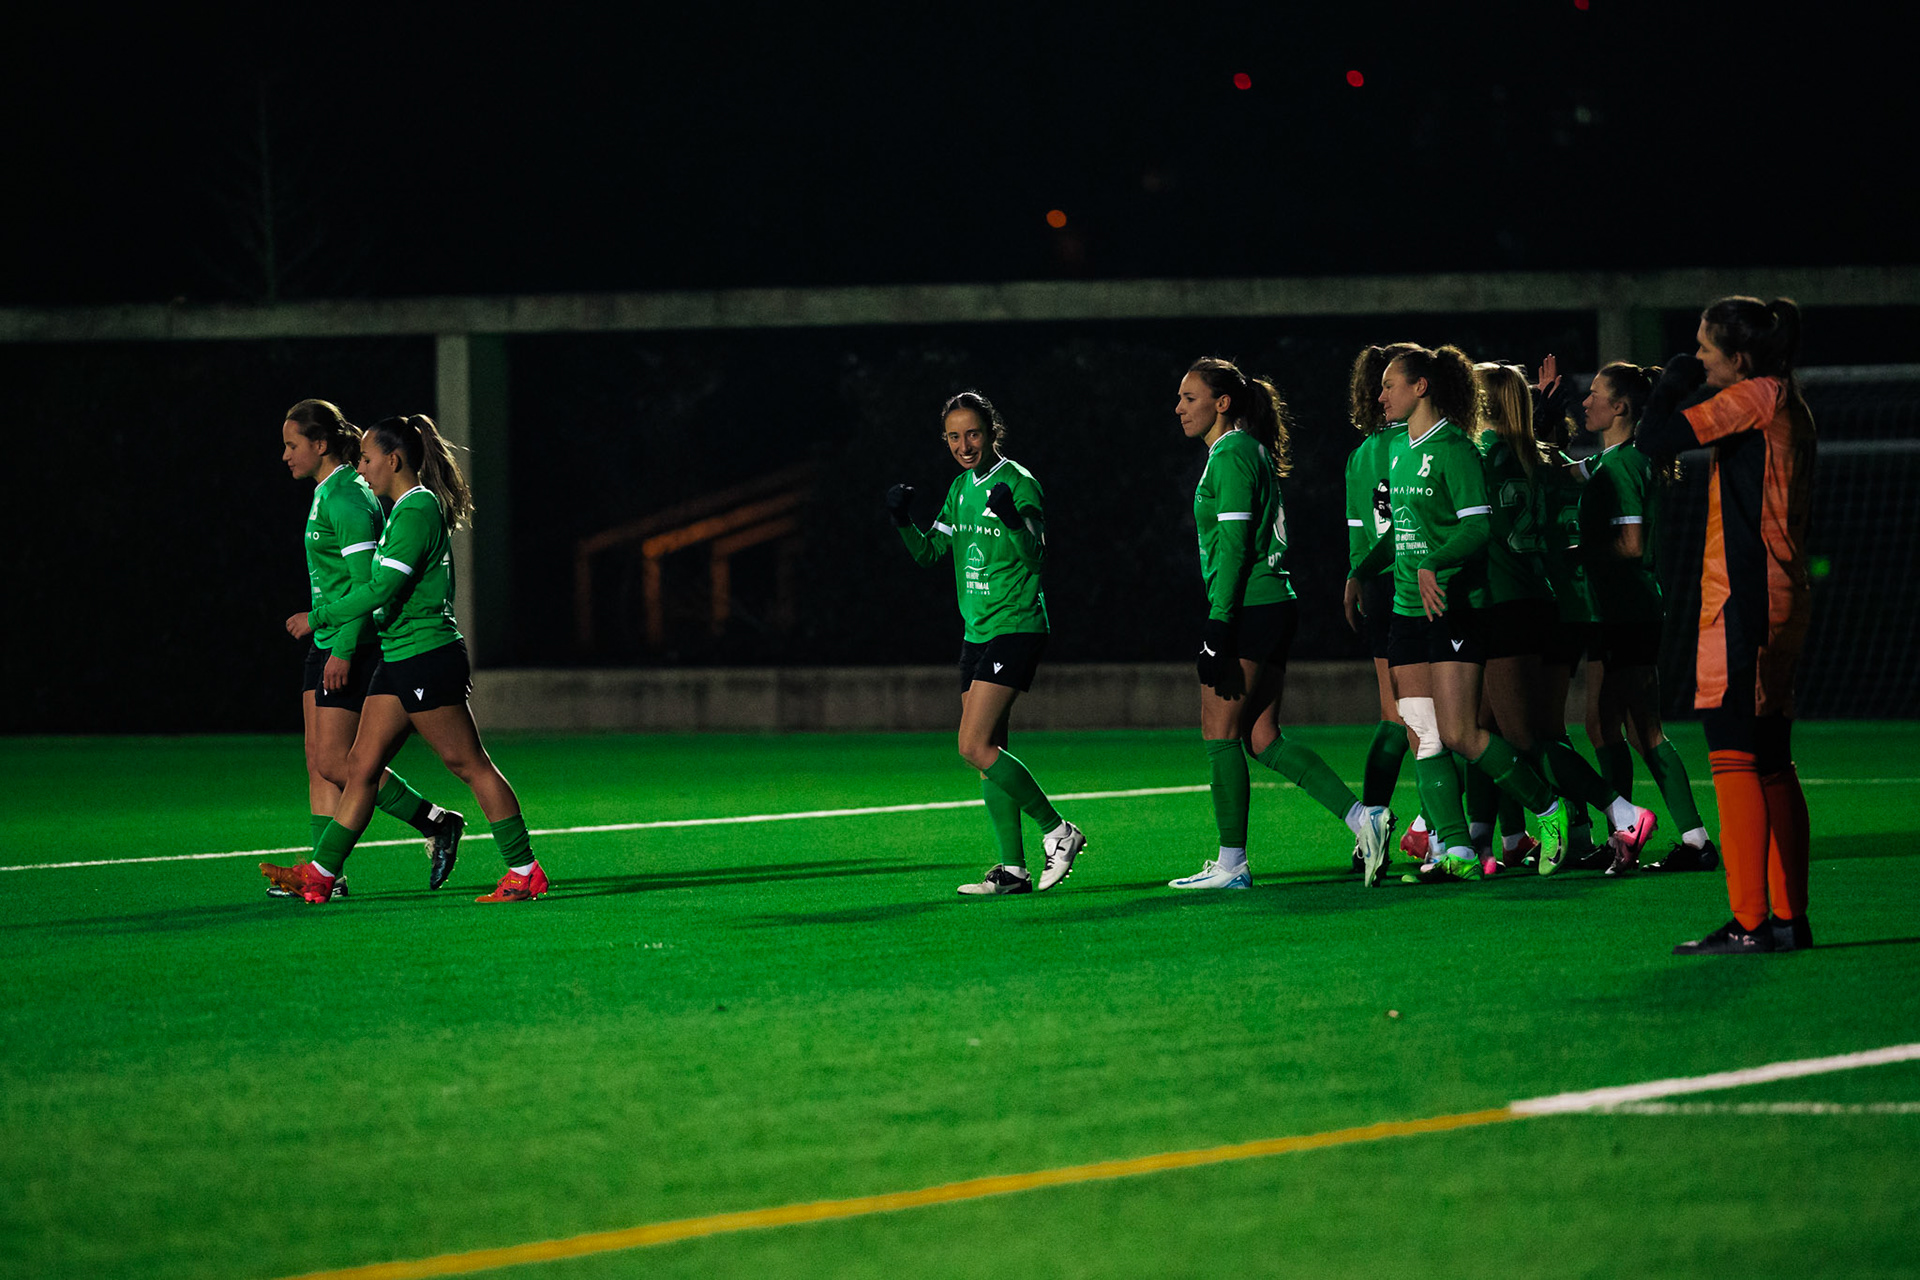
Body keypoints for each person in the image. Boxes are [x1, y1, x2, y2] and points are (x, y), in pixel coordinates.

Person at [260, 414, 547, 904]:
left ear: (393, 461)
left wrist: (320, 616)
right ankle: (321, 874)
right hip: (398, 656)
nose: (362, 468)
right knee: (360, 765)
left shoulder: (417, 509)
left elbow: (383, 587)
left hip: (425, 654)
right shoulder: (400, 509)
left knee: (468, 764)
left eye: (368, 460)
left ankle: (524, 869)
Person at [1349, 345, 1570, 883]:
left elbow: (1477, 528)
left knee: (1461, 734)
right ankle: (1457, 851)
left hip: (1454, 606)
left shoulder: (1454, 449)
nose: (1381, 396)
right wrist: (1359, 571)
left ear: (1421, 387)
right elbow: (1400, 533)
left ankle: (1549, 810)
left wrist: (1434, 563)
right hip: (1405, 610)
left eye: (1390, 385)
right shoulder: (1399, 448)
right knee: (1421, 732)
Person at [1173, 358, 1393, 889]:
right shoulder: (1245, 451)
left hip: (1250, 605)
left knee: (1218, 733)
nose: (1179, 408)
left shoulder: (1231, 454)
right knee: (1263, 737)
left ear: (1222, 403)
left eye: (1190, 397)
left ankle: (1232, 865)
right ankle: (1365, 819)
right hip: (1272, 603)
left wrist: (1218, 622)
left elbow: (1232, 547)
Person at [1638, 298, 1815, 954]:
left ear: (1738, 357)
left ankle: (1749, 923)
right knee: (1769, 756)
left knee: (1734, 749)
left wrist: (1671, 381)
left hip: (1746, 600)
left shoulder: (1755, 397)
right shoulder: (1783, 397)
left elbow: (1657, 438)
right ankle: (1787, 919)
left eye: (1707, 346)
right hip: (1775, 595)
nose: (1699, 354)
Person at [886, 391, 1086, 896]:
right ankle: (1012, 870)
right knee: (989, 753)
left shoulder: (1019, 484)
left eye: (972, 433)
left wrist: (1014, 519)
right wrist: (903, 520)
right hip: (976, 633)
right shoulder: (958, 489)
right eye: (953, 436)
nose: (963, 444)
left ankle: (1058, 830)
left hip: (1016, 625)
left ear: (991, 431)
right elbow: (932, 553)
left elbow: (1037, 558)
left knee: (972, 745)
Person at [278, 400, 463, 900]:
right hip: (326, 640)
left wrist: (341, 648)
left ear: (320, 445)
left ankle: (433, 821)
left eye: (292, 445)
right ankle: (326, 875)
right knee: (319, 759)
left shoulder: (347, 499)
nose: (285, 455)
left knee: (342, 762)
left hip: (348, 643)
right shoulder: (327, 493)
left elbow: (367, 583)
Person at [1476, 365, 1658, 875]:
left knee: (1522, 737)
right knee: (1494, 727)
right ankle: (1488, 840)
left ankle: (1616, 812)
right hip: (1548, 601)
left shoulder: (1481, 455)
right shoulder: (1541, 456)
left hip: (1506, 601)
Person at [1577, 363, 1715, 874]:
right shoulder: (1617, 459)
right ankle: (1683, 840)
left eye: (1594, 394)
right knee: (1622, 727)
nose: (1585, 402)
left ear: (1621, 408)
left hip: (1626, 612)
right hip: (1621, 611)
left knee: (1625, 727)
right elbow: (1570, 473)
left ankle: (1635, 836)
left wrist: (1581, 551)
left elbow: (1630, 546)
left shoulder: (1625, 463)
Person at [1342, 344, 1421, 876]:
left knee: (1395, 715)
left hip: (1376, 587)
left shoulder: (1360, 453)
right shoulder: (1416, 443)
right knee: (1441, 722)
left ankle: (1371, 821)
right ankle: (1454, 833)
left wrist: (1353, 579)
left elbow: (1359, 532)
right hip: (1417, 584)